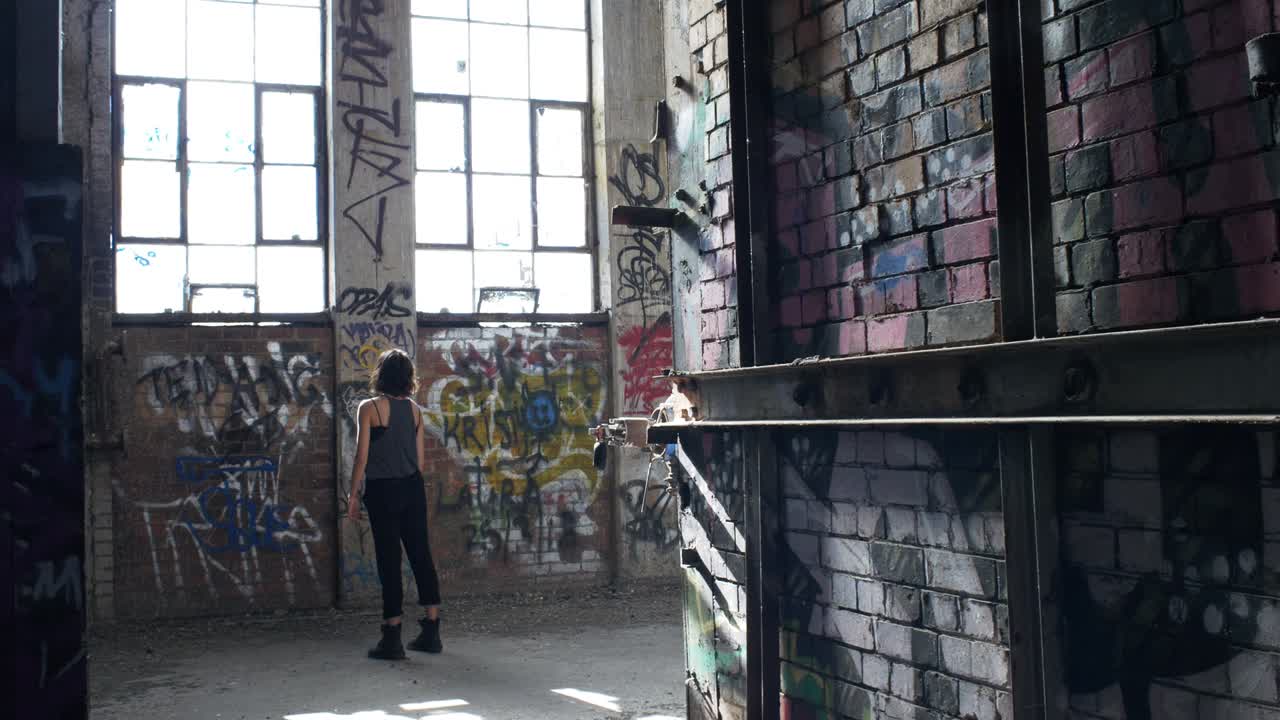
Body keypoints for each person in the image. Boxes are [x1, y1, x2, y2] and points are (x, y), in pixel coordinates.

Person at [346, 348, 442, 660]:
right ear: (408, 378)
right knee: (420, 555)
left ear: (381, 375)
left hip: (382, 490)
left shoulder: (369, 407)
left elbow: (362, 457)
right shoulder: (415, 410)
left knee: (389, 560)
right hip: (412, 487)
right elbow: (421, 461)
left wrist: (352, 495)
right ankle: (431, 630)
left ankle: (392, 636)